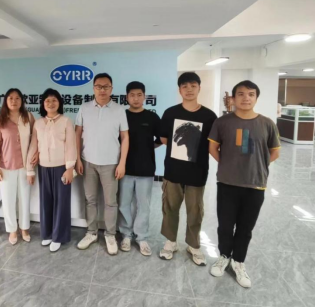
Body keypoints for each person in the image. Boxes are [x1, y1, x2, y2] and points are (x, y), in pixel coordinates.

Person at [208, 80, 281, 288]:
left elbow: (275, 151)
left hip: (255, 185)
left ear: (256, 98)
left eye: (250, 94)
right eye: (240, 94)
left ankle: (238, 261)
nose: (246, 98)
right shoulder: (222, 122)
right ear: (233, 98)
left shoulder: (267, 123)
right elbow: (213, 148)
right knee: (225, 225)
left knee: (245, 227)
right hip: (227, 183)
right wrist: (227, 165)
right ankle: (224, 256)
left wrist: (258, 166)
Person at [159, 72, 217, 265]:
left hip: (197, 172)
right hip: (173, 171)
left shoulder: (209, 116)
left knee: (195, 211)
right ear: (179, 90)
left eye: (193, 85)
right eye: (185, 86)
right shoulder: (170, 113)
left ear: (199, 88)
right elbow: (164, 139)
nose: (189, 89)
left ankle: (193, 245)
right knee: (170, 208)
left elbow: (213, 144)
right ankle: (170, 242)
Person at [75, 73, 129, 255]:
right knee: (90, 200)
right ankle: (91, 232)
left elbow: (125, 137)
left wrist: (122, 163)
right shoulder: (84, 108)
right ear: (93, 88)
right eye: (98, 86)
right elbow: (77, 134)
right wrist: (77, 159)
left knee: (111, 202)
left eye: (106, 86)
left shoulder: (119, 110)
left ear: (111, 89)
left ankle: (110, 234)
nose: (102, 90)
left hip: (111, 163)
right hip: (88, 161)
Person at [27, 89, 77, 252]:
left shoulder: (66, 121)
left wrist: (70, 168)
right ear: (43, 104)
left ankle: (58, 236)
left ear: (59, 103)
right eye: (47, 100)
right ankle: (47, 234)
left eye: (54, 100)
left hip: (61, 168)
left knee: (61, 203)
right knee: (46, 202)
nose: (51, 103)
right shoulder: (38, 123)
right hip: (43, 167)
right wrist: (30, 169)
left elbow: (71, 145)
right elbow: (34, 146)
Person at [118, 81, 162, 256]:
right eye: (132, 95)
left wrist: (149, 147)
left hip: (146, 168)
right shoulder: (121, 115)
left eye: (139, 95)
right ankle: (126, 235)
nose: (135, 98)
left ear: (144, 97)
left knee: (143, 205)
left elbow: (161, 138)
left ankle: (141, 237)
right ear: (127, 97)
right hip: (124, 168)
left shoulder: (152, 117)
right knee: (124, 204)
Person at [0, 88, 35, 245]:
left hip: (25, 166)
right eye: (10, 98)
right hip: (6, 167)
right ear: (5, 101)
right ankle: (12, 230)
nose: (14, 101)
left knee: (24, 199)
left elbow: (35, 141)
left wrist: (32, 165)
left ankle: (25, 228)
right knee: (8, 200)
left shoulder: (28, 117)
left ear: (22, 101)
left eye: (17, 98)